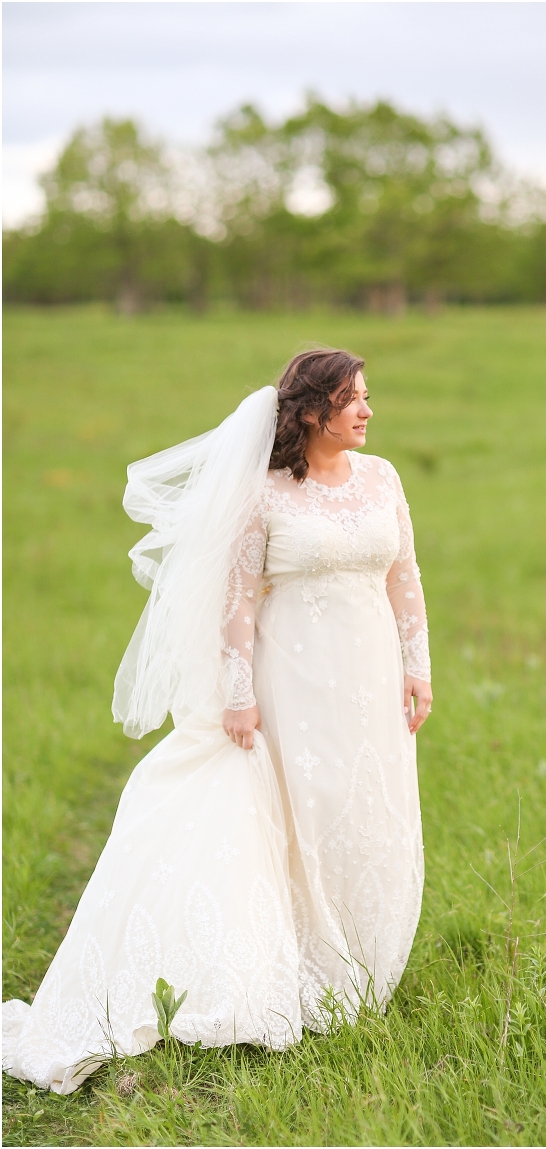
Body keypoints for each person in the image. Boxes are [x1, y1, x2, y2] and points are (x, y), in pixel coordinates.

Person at [2, 348, 432, 1094]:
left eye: (367, 396)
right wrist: (239, 694)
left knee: (371, 812)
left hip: (372, 680)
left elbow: (406, 575)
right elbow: (238, 602)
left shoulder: (384, 478)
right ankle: (297, 961)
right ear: (310, 413)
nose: (367, 410)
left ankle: (361, 962)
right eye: (351, 399)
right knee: (304, 814)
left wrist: (418, 665)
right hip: (293, 681)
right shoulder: (265, 495)